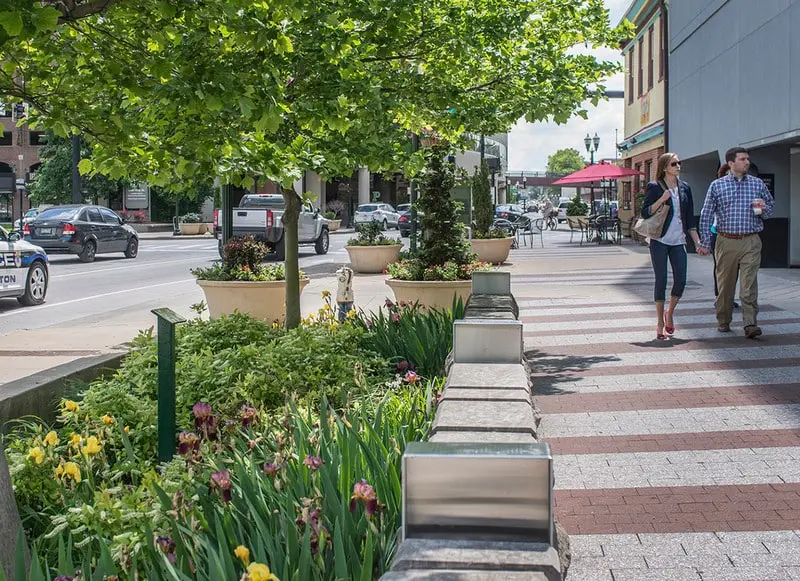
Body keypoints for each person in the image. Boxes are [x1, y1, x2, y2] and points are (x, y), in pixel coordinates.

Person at [697, 147, 774, 338]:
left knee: (749, 285)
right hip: (726, 241)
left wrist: (764, 209)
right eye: (743, 159)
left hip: (751, 240)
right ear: (731, 163)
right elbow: (706, 215)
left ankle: (750, 324)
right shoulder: (717, 186)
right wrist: (705, 242)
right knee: (726, 285)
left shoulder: (757, 184)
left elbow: (770, 209)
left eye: (748, 159)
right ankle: (723, 320)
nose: (747, 162)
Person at [641, 152, 701, 340]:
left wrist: (697, 242)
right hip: (659, 240)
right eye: (674, 164)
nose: (678, 166)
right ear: (665, 167)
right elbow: (645, 212)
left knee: (681, 280)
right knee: (661, 280)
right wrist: (661, 199)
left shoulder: (685, 188)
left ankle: (670, 312)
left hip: (679, 240)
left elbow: (690, 217)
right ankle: (660, 321)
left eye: (679, 163)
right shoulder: (654, 186)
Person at [710, 165, 739, 309]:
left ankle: (730, 296)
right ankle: (719, 296)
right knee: (720, 268)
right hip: (719, 234)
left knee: (735, 268)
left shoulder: (741, 190)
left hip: (738, 236)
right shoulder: (717, 189)